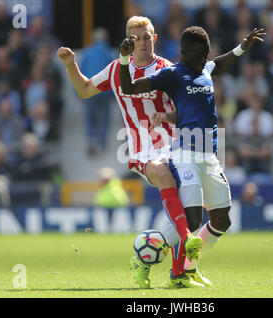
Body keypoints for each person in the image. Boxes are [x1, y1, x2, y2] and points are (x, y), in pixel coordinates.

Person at [57, 16, 202, 289]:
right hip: (140, 148)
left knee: (189, 204)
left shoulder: (169, 70)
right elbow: (85, 90)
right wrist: (70, 65)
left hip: (175, 146)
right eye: (137, 38)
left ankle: (173, 273)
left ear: (155, 38)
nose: (143, 43)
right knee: (162, 174)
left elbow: (188, 108)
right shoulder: (116, 70)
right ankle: (186, 238)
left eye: (147, 37)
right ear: (128, 42)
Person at [119, 26, 265, 287]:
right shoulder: (172, 75)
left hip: (209, 157)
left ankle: (188, 268)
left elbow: (220, 64)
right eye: (198, 58)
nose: (202, 62)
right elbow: (129, 88)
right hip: (185, 155)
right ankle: (144, 259)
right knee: (193, 219)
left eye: (205, 57)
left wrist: (242, 47)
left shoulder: (205, 69)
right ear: (183, 54)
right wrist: (124, 59)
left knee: (222, 219)